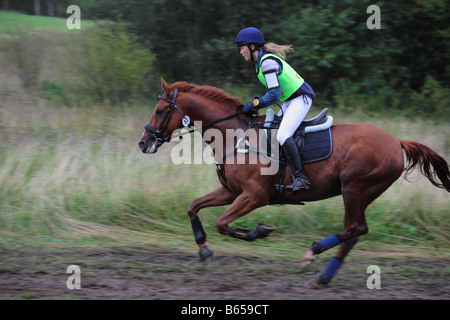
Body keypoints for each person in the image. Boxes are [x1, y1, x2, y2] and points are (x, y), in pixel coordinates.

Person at [235, 27, 316, 193]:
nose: (240, 52)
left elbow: (274, 93)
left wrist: (256, 104)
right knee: (271, 135)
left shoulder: (267, 63)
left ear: (252, 47)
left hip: (300, 99)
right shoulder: (261, 62)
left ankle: (301, 178)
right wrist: (256, 104)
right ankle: (281, 179)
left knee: (282, 135)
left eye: (242, 47)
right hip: (290, 101)